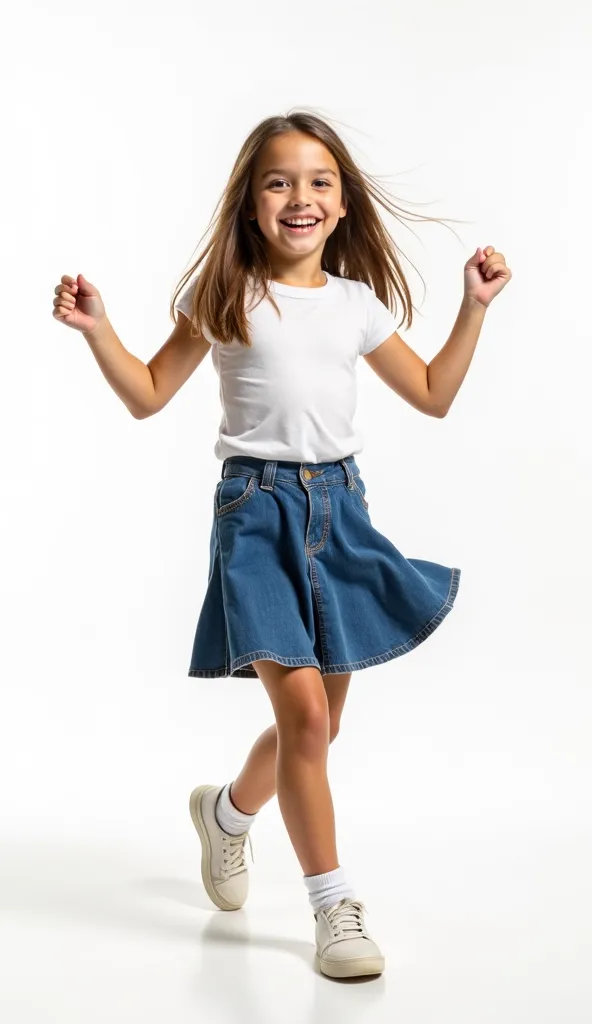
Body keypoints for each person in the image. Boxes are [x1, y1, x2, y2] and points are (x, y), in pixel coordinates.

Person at [52, 109, 511, 980]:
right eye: (278, 180)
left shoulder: (355, 305)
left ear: (342, 206)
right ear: (251, 202)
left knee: (321, 725)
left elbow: (433, 393)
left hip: (341, 513)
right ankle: (333, 906)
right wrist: (98, 329)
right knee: (302, 716)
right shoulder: (226, 295)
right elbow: (150, 393)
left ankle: (226, 816)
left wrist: (474, 309)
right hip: (255, 517)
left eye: (318, 182)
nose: (299, 196)